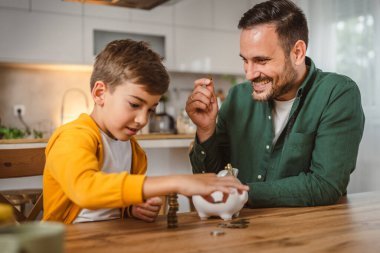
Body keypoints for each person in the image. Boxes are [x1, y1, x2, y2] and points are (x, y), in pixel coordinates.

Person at [43, 39, 249, 224]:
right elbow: (85, 189)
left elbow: (110, 201)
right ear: (99, 93)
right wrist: (176, 181)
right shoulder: (73, 136)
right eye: (134, 104)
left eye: (151, 109)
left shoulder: (134, 151)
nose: (143, 119)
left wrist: (132, 208)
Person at [186, 0, 365, 207]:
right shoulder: (237, 97)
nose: (249, 73)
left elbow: (325, 185)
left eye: (261, 61)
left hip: (311, 232)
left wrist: (242, 192)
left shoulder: (338, 93)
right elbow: (212, 180)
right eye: (245, 60)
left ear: (297, 52)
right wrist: (206, 130)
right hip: (243, 230)